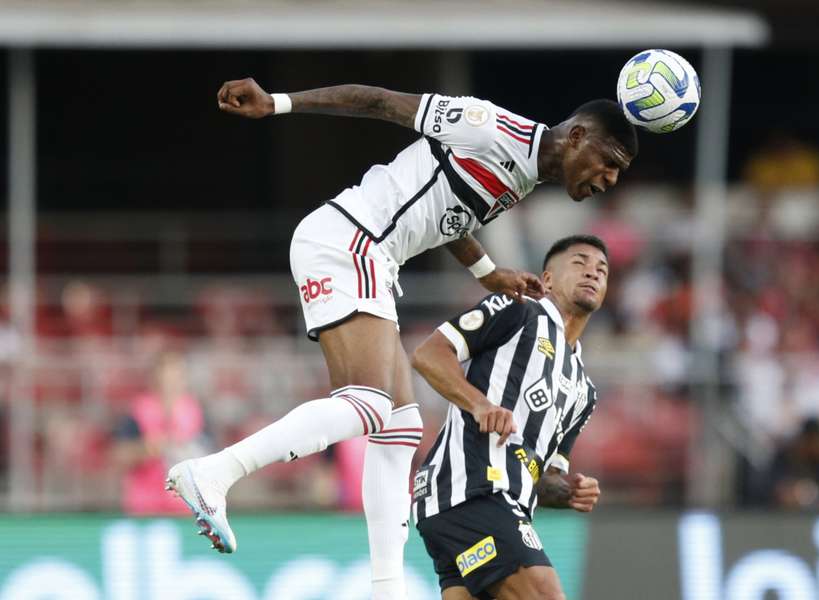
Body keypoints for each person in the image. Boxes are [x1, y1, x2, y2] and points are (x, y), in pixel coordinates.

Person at [166, 80, 636, 599]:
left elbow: (446, 217)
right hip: (353, 240)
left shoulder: (521, 176)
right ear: (577, 135)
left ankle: (386, 588)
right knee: (368, 404)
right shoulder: (492, 128)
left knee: (400, 425)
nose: (610, 178)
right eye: (609, 160)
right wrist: (277, 103)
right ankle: (214, 472)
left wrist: (487, 273)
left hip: (375, 257)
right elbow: (380, 102)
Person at [410, 235, 607, 600]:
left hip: (498, 505)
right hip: (470, 490)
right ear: (547, 280)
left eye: (602, 270)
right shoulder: (519, 310)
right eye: (580, 263)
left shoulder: (584, 392)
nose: (592, 273)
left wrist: (568, 491)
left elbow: (544, 477)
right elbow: (428, 354)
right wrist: (479, 404)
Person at [115, 351, 209, 515]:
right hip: (146, 506)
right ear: (155, 379)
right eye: (166, 376)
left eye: (176, 376)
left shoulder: (195, 410)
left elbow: (209, 455)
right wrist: (146, 450)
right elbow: (120, 454)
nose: (171, 383)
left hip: (186, 507)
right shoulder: (138, 410)